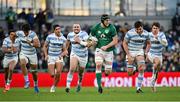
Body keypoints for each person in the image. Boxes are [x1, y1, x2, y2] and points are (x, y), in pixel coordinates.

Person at [90, 14, 118, 93]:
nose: (108, 22)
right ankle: (99, 87)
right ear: (102, 21)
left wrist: (106, 46)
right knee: (98, 64)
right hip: (99, 50)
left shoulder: (112, 28)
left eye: (109, 20)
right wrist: (90, 43)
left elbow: (115, 41)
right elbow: (90, 37)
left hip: (109, 51)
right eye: (106, 20)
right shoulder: (96, 27)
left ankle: (106, 70)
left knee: (108, 72)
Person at [123, 21, 151, 93]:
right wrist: (128, 54)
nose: (138, 31)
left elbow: (148, 43)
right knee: (129, 73)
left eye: (140, 29)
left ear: (142, 27)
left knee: (142, 68)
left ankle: (138, 88)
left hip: (139, 51)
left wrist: (146, 52)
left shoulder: (146, 33)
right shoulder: (129, 33)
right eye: (137, 29)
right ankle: (134, 68)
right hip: (131, 51)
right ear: (134, 28)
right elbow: (124, 43)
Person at [65, 24, 90, 93]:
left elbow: (88, 44)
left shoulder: (84, 34)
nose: (76, 28)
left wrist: (79, 41)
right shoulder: (70, 34)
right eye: (75, 27)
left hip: (83, 55)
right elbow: (67, 41)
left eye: (77, 27)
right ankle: (68, 86)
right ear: (72, 28)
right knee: (72, 68)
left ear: (80, 28)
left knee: (80, 73)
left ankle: (79, 83)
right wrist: (66, 49)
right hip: (74, 53)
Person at [43, 24, 68, 93]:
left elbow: (65, 50)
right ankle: (53, 71)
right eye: (57, 29)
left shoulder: (63, 38)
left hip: (58, 57)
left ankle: (53, 86)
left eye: (59, 29)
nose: (58, 30)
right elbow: (44, 46)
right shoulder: (50, 37)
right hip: (50, 56)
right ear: (54, 30)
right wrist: (46, 55)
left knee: (58, 73)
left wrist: (62, 54)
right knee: (52, 75)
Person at [16, 24, 40, 93]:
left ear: (29, 31)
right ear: (22, 31)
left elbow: (38, 45)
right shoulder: (19, 33)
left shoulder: (33, 34)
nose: (26, 33)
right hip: (23, 52)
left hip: (32, 54)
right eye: (24, 32)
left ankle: (35, 85)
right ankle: (27, 81)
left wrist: (31, 43)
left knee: (34, 72)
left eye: (27, 32)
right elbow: (13, 35)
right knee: (22, 63)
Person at [146, 22, 168, 92]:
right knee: (157, 62)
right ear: (152, 29)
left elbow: (166, 44)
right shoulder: (149, 35)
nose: (155, 29)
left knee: (157, 70)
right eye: (154, 28)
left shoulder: (161, 35)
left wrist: (158, 38)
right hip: (151, 54)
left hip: (159, 55)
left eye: (156, 28)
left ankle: (152, 83)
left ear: (159, 29)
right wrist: (146, 53)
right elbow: (148, 44)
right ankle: (152, 81)